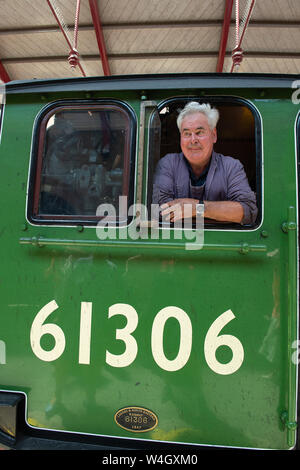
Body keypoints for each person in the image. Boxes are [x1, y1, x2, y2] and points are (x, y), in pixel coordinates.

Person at [152, 101, 258, 225]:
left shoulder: (231, 166)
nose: (193, 140)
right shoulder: (168, 164)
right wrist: (222, 213)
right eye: (187, 134)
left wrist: (197, 208)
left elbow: (248, 211)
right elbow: (159, 209)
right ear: (180, 138)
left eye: (199, 132)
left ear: (213, 135)